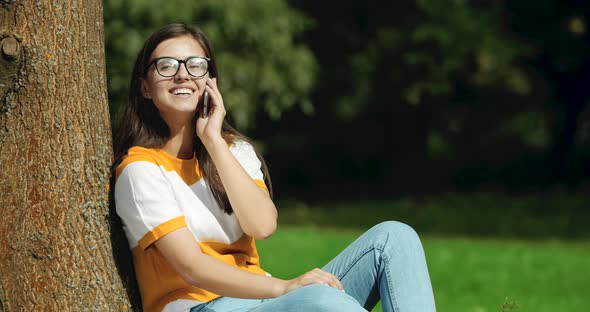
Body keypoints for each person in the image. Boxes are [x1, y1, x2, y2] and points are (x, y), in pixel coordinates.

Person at [113, 23, 436, 312]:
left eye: (195, 65)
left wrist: (212, 140)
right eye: (166, 66)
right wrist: (285, 287)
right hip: (201, 307)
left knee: (395, 238)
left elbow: (262, 225)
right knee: (323, 300)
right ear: (144, 86)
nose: (182, 74)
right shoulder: (140, 169)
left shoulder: (233, 150)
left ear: (210, 81)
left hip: (265, 300)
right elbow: (192, 267)